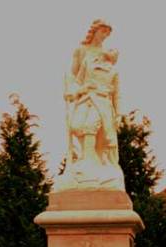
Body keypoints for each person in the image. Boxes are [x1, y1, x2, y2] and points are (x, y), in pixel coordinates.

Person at [64, 20, 120, 169]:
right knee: (77, 126)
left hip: (101, 98)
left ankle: (95, 161)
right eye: (103, 32)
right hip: (83, 95)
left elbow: (114, 87)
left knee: (97, 130)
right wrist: (74, 91)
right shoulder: (81, 50)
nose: (105, 36)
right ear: (95, 31)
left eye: (107, 33)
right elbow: (74, 75)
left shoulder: (106, 54)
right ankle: (85, 158)